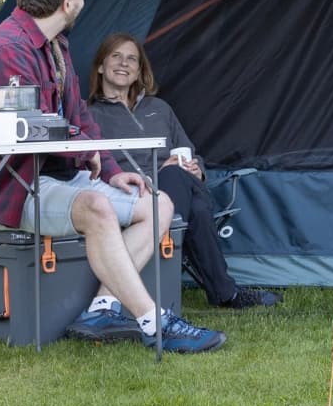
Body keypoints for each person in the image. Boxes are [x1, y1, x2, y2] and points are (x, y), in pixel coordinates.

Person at [0, 0, 225, 353]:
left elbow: (80, 122)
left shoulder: (57, 46)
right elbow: (24, 140)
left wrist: (108, 170)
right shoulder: (8, 51)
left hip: (59, 180)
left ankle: (101, 307)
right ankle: (154, 321)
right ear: (69, 1)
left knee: (156, 204)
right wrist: (79, 155)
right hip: (13, 189)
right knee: (97, 208)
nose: (84, 2)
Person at [87, 32, 281, 310]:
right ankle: (227, 292)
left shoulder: (159, 109)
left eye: (132, 59)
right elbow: (96, 168)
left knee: (185, 181)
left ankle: (223, 290)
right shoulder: (90, 115)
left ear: (140, 71)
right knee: (198, 207)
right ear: (101, 66)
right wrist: (160, 173)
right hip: (134, 195)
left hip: (180, 189)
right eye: (116, 56)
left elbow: (190, 152)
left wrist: (197, 169)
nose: (124, 63)